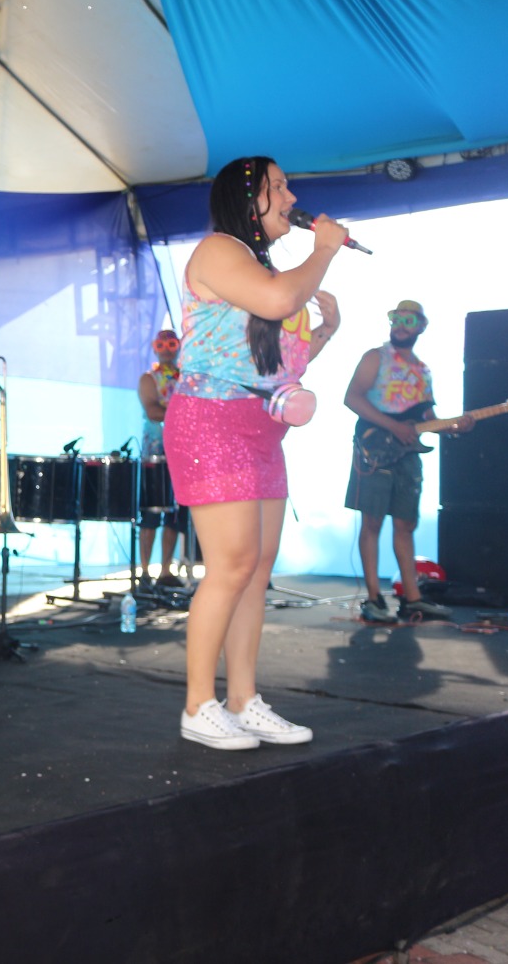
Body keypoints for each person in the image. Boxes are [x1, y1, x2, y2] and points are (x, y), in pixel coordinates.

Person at [164, 156, 344, 751]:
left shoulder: (259, 267)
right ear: (249, 199)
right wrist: (323, 251)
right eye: (279, 187)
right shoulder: (219, 250)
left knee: (256, 569)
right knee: (233, 564)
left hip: (259, 428)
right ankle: (199, 705)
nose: (292, 197)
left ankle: (243, 700)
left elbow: (276, 366)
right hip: (211, 423)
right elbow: (277, 300)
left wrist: (325, 332)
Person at [343, 300, 472, 623]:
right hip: (374, 450)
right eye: (395, 318)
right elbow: (352, 397)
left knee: (405, 524)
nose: (400, 325)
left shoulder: (422, 370)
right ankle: (374, 598)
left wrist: (453, 427)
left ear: (421, 326)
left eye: (408, 320)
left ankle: (413, 599)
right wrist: (393, 426)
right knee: (372, 522)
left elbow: (426, 418)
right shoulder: (375, 357)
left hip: (408, 454)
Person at [136, 328, 190, 586]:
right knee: (150, 514)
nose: (167, 350)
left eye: (172, 344)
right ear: (155, 348)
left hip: (183, 454)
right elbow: (153, 411)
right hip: (155, 456)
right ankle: (145, 571)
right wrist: (184, 412)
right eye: (162, 345)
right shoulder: (149, 379)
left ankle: (166, 571)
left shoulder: (187, 379)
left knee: (175, 515)